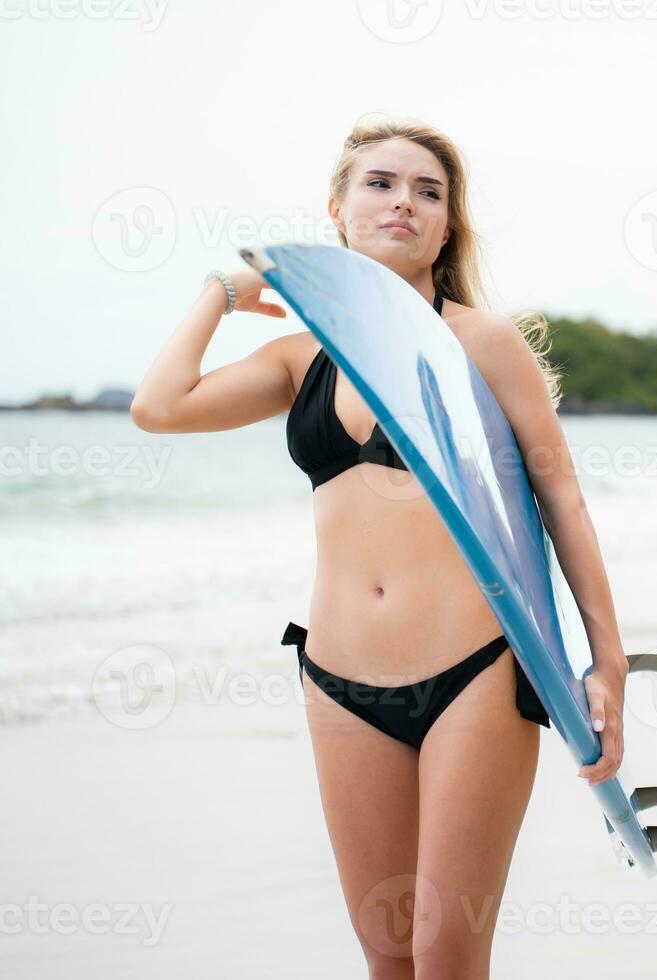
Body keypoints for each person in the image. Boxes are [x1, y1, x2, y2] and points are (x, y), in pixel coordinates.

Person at [130, 116, 630, 977]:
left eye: (428, 192)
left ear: (447, 225)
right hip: (338, 678)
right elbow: (160, 407)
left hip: (474, 670)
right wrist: (221, 289)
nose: (404, 202)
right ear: (338, 207)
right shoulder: (300, 358)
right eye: (381, 184)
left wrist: (607, 662)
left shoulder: (483, 343)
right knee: (385, 951)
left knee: (445, 954)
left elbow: (562, 500)